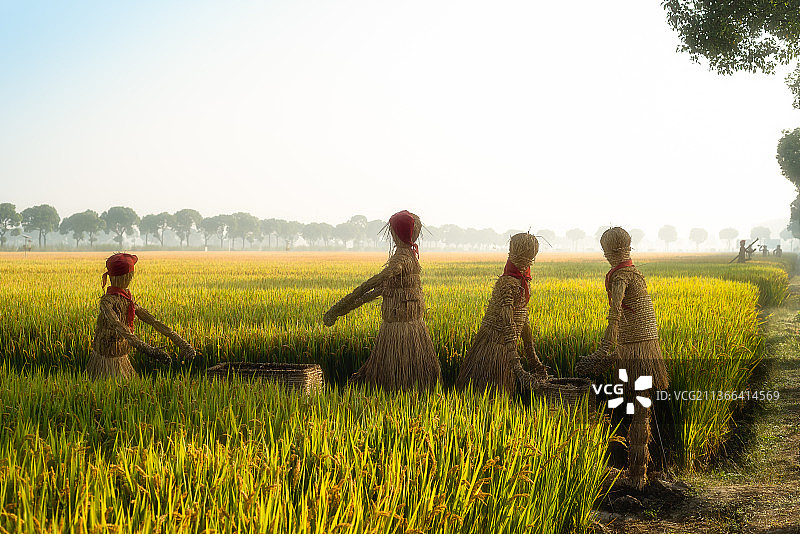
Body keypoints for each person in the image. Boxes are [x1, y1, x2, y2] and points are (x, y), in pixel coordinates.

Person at [574, 227, 669, 490]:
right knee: (640, 406)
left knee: (636, 409)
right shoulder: (636, 273)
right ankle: (638, 473)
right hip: (644, 347)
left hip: (635, 350)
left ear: (606, 251)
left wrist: (604, 349)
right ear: (628, 247)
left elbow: (615, 315)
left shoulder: (620, 278)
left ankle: (637, 477)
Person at [323, 210, 441, 390]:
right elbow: (380, 290)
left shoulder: (401, 259)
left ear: (395, 233)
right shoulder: (412, 257)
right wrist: (342, 309)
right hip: (413, 324)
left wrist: (338, 308)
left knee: (389, 379)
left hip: (398, 325)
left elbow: (376, 283)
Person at [456, 233, 548, 396]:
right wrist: (516, 362)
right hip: (494, 345)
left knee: (501, 394)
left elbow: (522, 316)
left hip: (505, 346)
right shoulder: (508, 283)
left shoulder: (521, 282)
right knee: (486, 393)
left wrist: (532, 357)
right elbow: (508, 322)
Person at [88, 253, 195, 379]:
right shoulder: (107, 302)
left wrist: (180, 341)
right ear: (125, 277)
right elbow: (120, 327)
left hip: (121, 353)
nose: (130, 280)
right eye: (129, 276)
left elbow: (152, 321)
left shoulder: (127, 300)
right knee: (107, 386)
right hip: (107, 354)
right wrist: (150, 350)